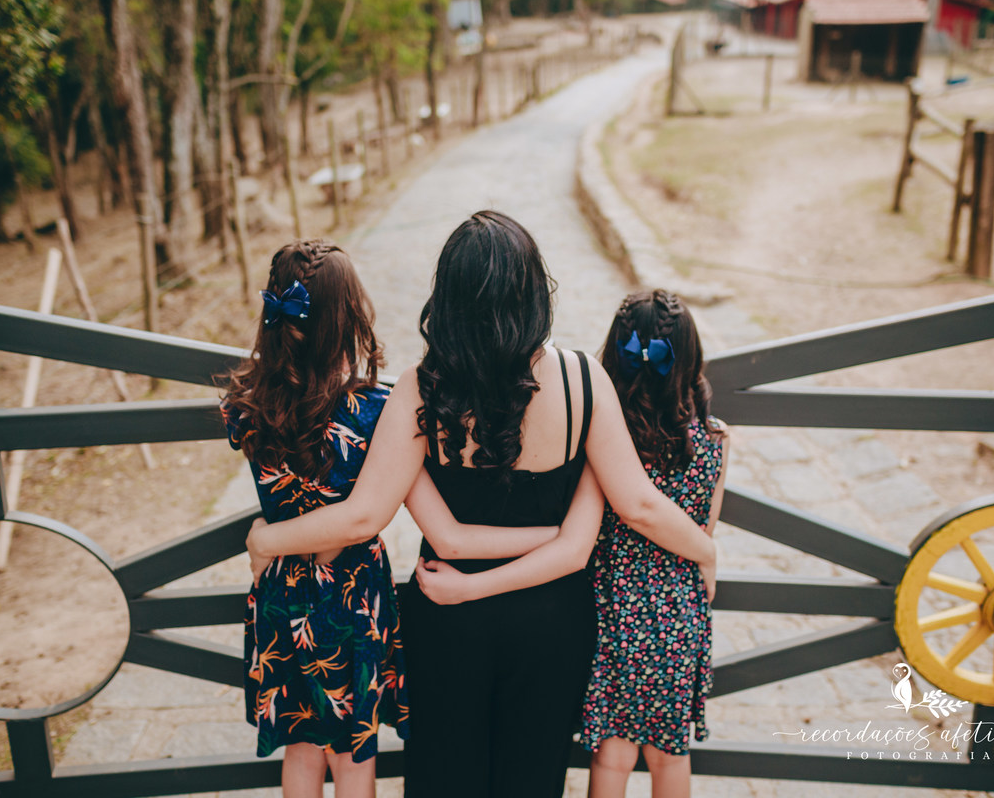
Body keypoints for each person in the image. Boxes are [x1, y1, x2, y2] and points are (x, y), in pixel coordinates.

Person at [245, 211, 718, 798]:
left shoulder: (421, 387)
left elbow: (367, 515)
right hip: (552, 620)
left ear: (446, 300)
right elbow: (640, 508)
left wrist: (266, 538)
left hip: (447, 616)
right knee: (531, 776)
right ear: (532, 293)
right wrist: (705, 550)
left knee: (447, 777)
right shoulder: (581, 379)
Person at [221, 240, 409, 798]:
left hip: (281, 594)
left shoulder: (246, 406)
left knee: (302, 748)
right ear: (346, 318)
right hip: (351, 599)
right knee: (353, 757)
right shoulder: (373, 409)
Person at [581, 290, 728, 798]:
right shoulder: (715, 439)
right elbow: (705, 530)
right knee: (670, 755)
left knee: (613, 754)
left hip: (613, 607)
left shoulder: (602, 437)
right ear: (689, 356)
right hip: (679, 610)